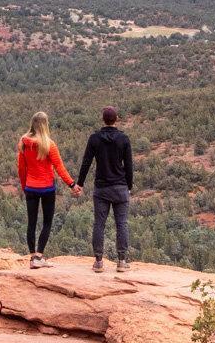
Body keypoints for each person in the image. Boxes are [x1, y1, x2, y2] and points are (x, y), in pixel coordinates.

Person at [16, 111, 81, 269]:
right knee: (47, 222)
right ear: (45, 125)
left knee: (31, 223)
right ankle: (39, 256)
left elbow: (21, 169)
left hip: (31, 187)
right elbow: (59, 167)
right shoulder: (48, 144)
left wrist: (25, 187)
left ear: (32, 123)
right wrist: (72, 185)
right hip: (46, 188)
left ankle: (32, 258)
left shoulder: (24, 143)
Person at [77, 106, 133, 273]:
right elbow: (129, 165)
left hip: (101, 189)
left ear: (103, 119)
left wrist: (80, 183)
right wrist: (128, 186)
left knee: (99, 224)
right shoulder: (123, 139)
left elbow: (86, 162)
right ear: (116, 119)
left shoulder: (94, 139)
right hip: (120, 188)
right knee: (121, 224)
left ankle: (99, 262)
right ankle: (122, 261)